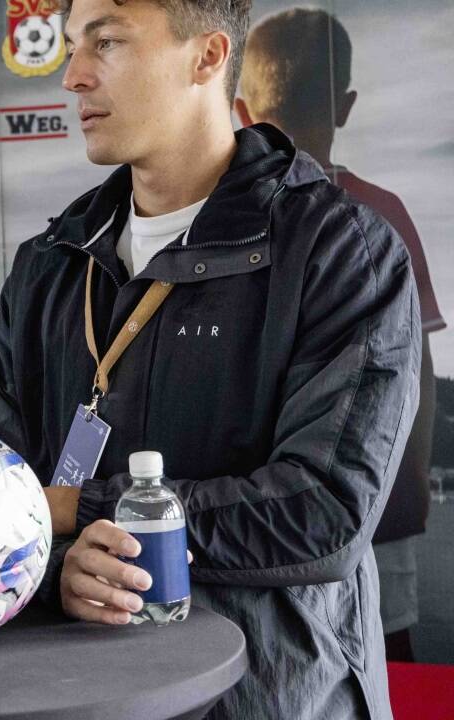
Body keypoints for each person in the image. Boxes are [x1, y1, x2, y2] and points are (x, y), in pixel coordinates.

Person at [0, 0, 419, 717]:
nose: (73, 76)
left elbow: (325, 510)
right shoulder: (49, 265)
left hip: (271, 699)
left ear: (208, 57)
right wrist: (60, 572)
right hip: (86, 698)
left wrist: (84, 509)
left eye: (106, 43)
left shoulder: (339, 250)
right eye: (72, 46)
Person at [236, 7, 444, 663]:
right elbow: (417, 372)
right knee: (387, 657)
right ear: (345, 106)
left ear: (240, 112)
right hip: (377, 499)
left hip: (257, 514)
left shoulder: (221, 221)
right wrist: (407, 487)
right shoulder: (383, 213)